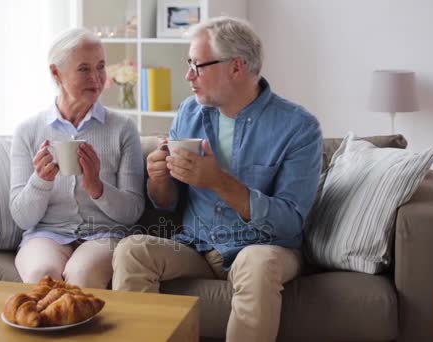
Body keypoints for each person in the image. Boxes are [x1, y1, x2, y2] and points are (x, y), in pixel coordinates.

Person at [112, 17, 322, 341]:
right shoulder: (188, 112)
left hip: (263, 246)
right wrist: (159, 178)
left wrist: (219, 181)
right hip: (197, 245)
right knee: (132, 250)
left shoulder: (299, 128)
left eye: (198, 65)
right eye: (188, 64)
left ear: (236, 67)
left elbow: (289, 223)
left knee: (258, 262)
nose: (188, 76)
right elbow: (167, 203)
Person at [10, 28, 144, 289]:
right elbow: (22, 218)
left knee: (83, 275)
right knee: (42, 274)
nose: (96, 78)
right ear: (55, 72)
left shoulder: (123, 128)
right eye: (84, 69)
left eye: (101, 66)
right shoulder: (28, 131)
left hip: (104, 234)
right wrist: (40, 181)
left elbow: (133, 212)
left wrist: (98, 189)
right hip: (46, 234)